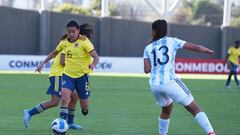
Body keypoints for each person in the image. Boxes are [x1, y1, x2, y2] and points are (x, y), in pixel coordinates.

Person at [143, 19, 216, 135]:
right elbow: (194, 47)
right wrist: (206, 50)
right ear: (165, 30)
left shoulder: (148, 48)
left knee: (166, 109)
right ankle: (211, 133)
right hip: (170, 81)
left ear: (154, 31)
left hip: (155, 85)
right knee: (194, 108)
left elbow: (146, 70)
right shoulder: (172, 41)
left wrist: (157, 66)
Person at [23, 22, 94, 130]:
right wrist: (78, 65)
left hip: (66, 75)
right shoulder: (67, 44)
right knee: (55, 101)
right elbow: (62, 62)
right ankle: (30, 112)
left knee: (74, 97)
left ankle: (70, 122)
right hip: (59, 74)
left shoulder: (80, 43)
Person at [57, 19, 99, 122]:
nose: (71, 34)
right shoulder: (64, 43)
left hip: (82, 77)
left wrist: (93, 65)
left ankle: (84, 109)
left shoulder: (85, 42)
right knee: (65, 99)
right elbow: (55, 52)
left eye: (73, 31)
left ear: (78, 30)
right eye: (69, 32)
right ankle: (63, 125)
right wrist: (42, 63)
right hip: (68, 75)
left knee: (84, 106)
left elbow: (96, 57)